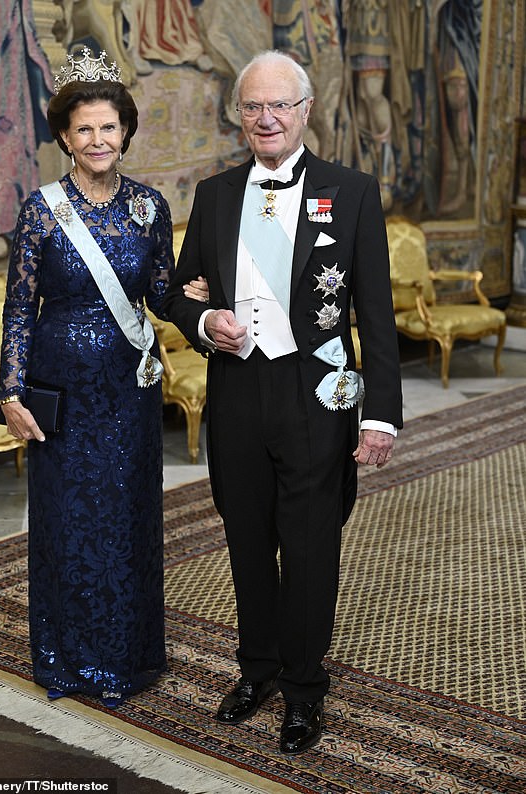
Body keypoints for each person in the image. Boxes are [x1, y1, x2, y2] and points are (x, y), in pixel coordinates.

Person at [162, 50, 403, 754]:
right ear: (240, 116)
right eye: (252, 107)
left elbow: (377, 316)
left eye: (279, 106)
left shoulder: (351, 191)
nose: (265, 118)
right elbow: (179, 290)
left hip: (317, 394)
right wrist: (205, 323)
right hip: (237, 391)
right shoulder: (213, 195)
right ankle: (256, 671)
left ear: (304, 112)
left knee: (309, 550)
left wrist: (380, 412)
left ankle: (303, 691)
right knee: (244, 543)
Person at [0, 47, 178, 706]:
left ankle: (128, 659)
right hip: (62, 392)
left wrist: (202, 290)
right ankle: (67, 660)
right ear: (65, 138)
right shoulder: (42, 211)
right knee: (67, 522)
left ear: (125, 131)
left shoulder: (149, 208)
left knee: (128, 518)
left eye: (108, 127)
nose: (98, 139)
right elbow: (20, 308)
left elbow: (161, 292)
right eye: (84, 129)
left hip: (130, 389)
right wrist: (11, 391)